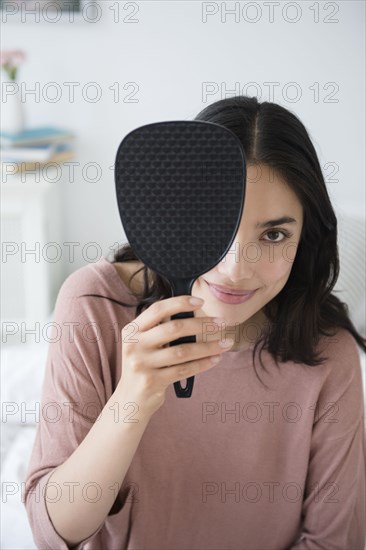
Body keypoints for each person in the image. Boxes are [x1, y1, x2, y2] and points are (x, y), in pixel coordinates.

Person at [24, 96, 366, 549]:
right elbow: (54, 532)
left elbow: (332, 541)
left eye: (274, 234)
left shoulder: (328, 354)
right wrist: (132, 400)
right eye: (217, 224)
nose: (236, 269)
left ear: (305, 238)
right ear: (177, 214)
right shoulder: (94, 306)